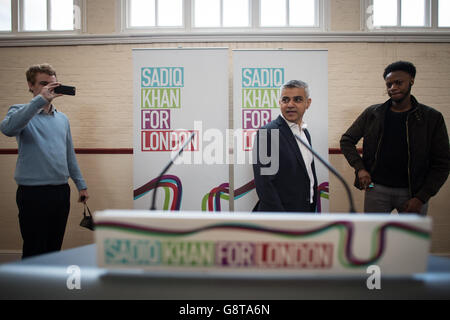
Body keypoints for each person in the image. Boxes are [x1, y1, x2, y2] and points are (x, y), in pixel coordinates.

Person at [1, 63, 89, 258]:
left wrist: (81, 185)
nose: (50, 88)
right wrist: (38, 101)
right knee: (34, 247)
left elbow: (69, 154)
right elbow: (7, 129)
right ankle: (31, 288)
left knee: (53, 247)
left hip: (59, 191)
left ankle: (49, 286)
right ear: (31, 86)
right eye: (43, 84)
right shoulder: (20, 111)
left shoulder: (62, 119)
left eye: (53, 84)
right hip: (33, 194)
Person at [340, 61, 449, 215]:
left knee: (411, 239)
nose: (393, 88)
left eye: (398, 83)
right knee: (373, 236)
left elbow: (443, 162)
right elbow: (346, 140)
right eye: (389, 84)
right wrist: (360, 169)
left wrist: (421, 197)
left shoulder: (431, 118)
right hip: (374, 188)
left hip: (414, 193)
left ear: (411, 81)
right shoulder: (373, 113)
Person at [252, 80, 318, 212]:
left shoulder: (305, 133)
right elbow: (265, 185)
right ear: (280, 102)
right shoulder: (268, 133)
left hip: (305, 210)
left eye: (297, 100)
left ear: (308, 103)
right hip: (281, 216)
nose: (290, 105)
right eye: (285, 100)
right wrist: (282, 219)